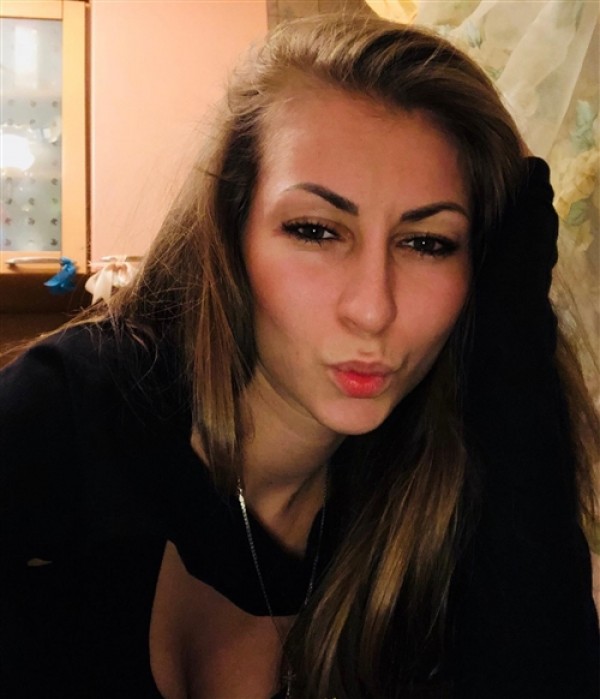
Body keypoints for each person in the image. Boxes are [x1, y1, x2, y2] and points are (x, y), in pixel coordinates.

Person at [0, 13, 598, 699]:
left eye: (427, 243)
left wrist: (512, 352)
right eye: (316, 231)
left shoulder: (437, 497)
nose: (372, 308)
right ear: (231, 230)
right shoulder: (69, 418)